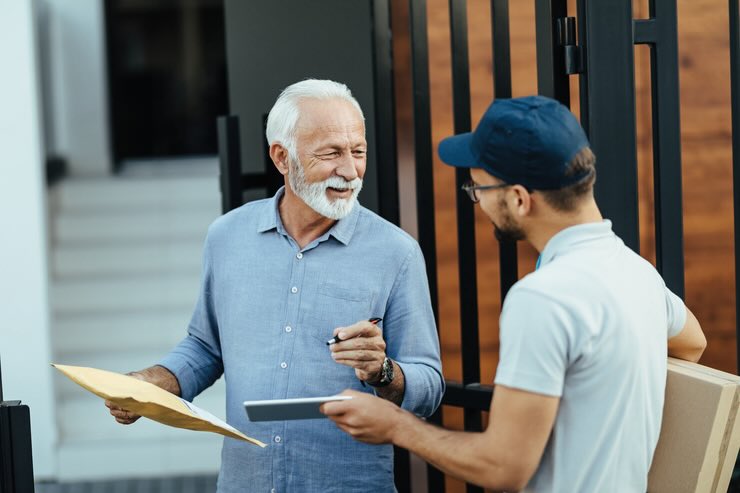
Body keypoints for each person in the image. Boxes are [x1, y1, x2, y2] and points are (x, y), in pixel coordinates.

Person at [322, 95, 707, 492]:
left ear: (520, 199)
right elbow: (693, 343)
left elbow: (503, 466)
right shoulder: (637, 272)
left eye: (478, 188)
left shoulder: (542, 298)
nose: (478, 201)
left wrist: (396, 426)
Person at [105, 79, 444, 492]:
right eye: (331, 154)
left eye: (358, 151)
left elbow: (429, 388)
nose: (351, 171)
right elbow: (206, 347)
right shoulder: (226, 236)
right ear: (282, 157)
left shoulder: (397, 252)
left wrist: (383, 371)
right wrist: (152, 383)